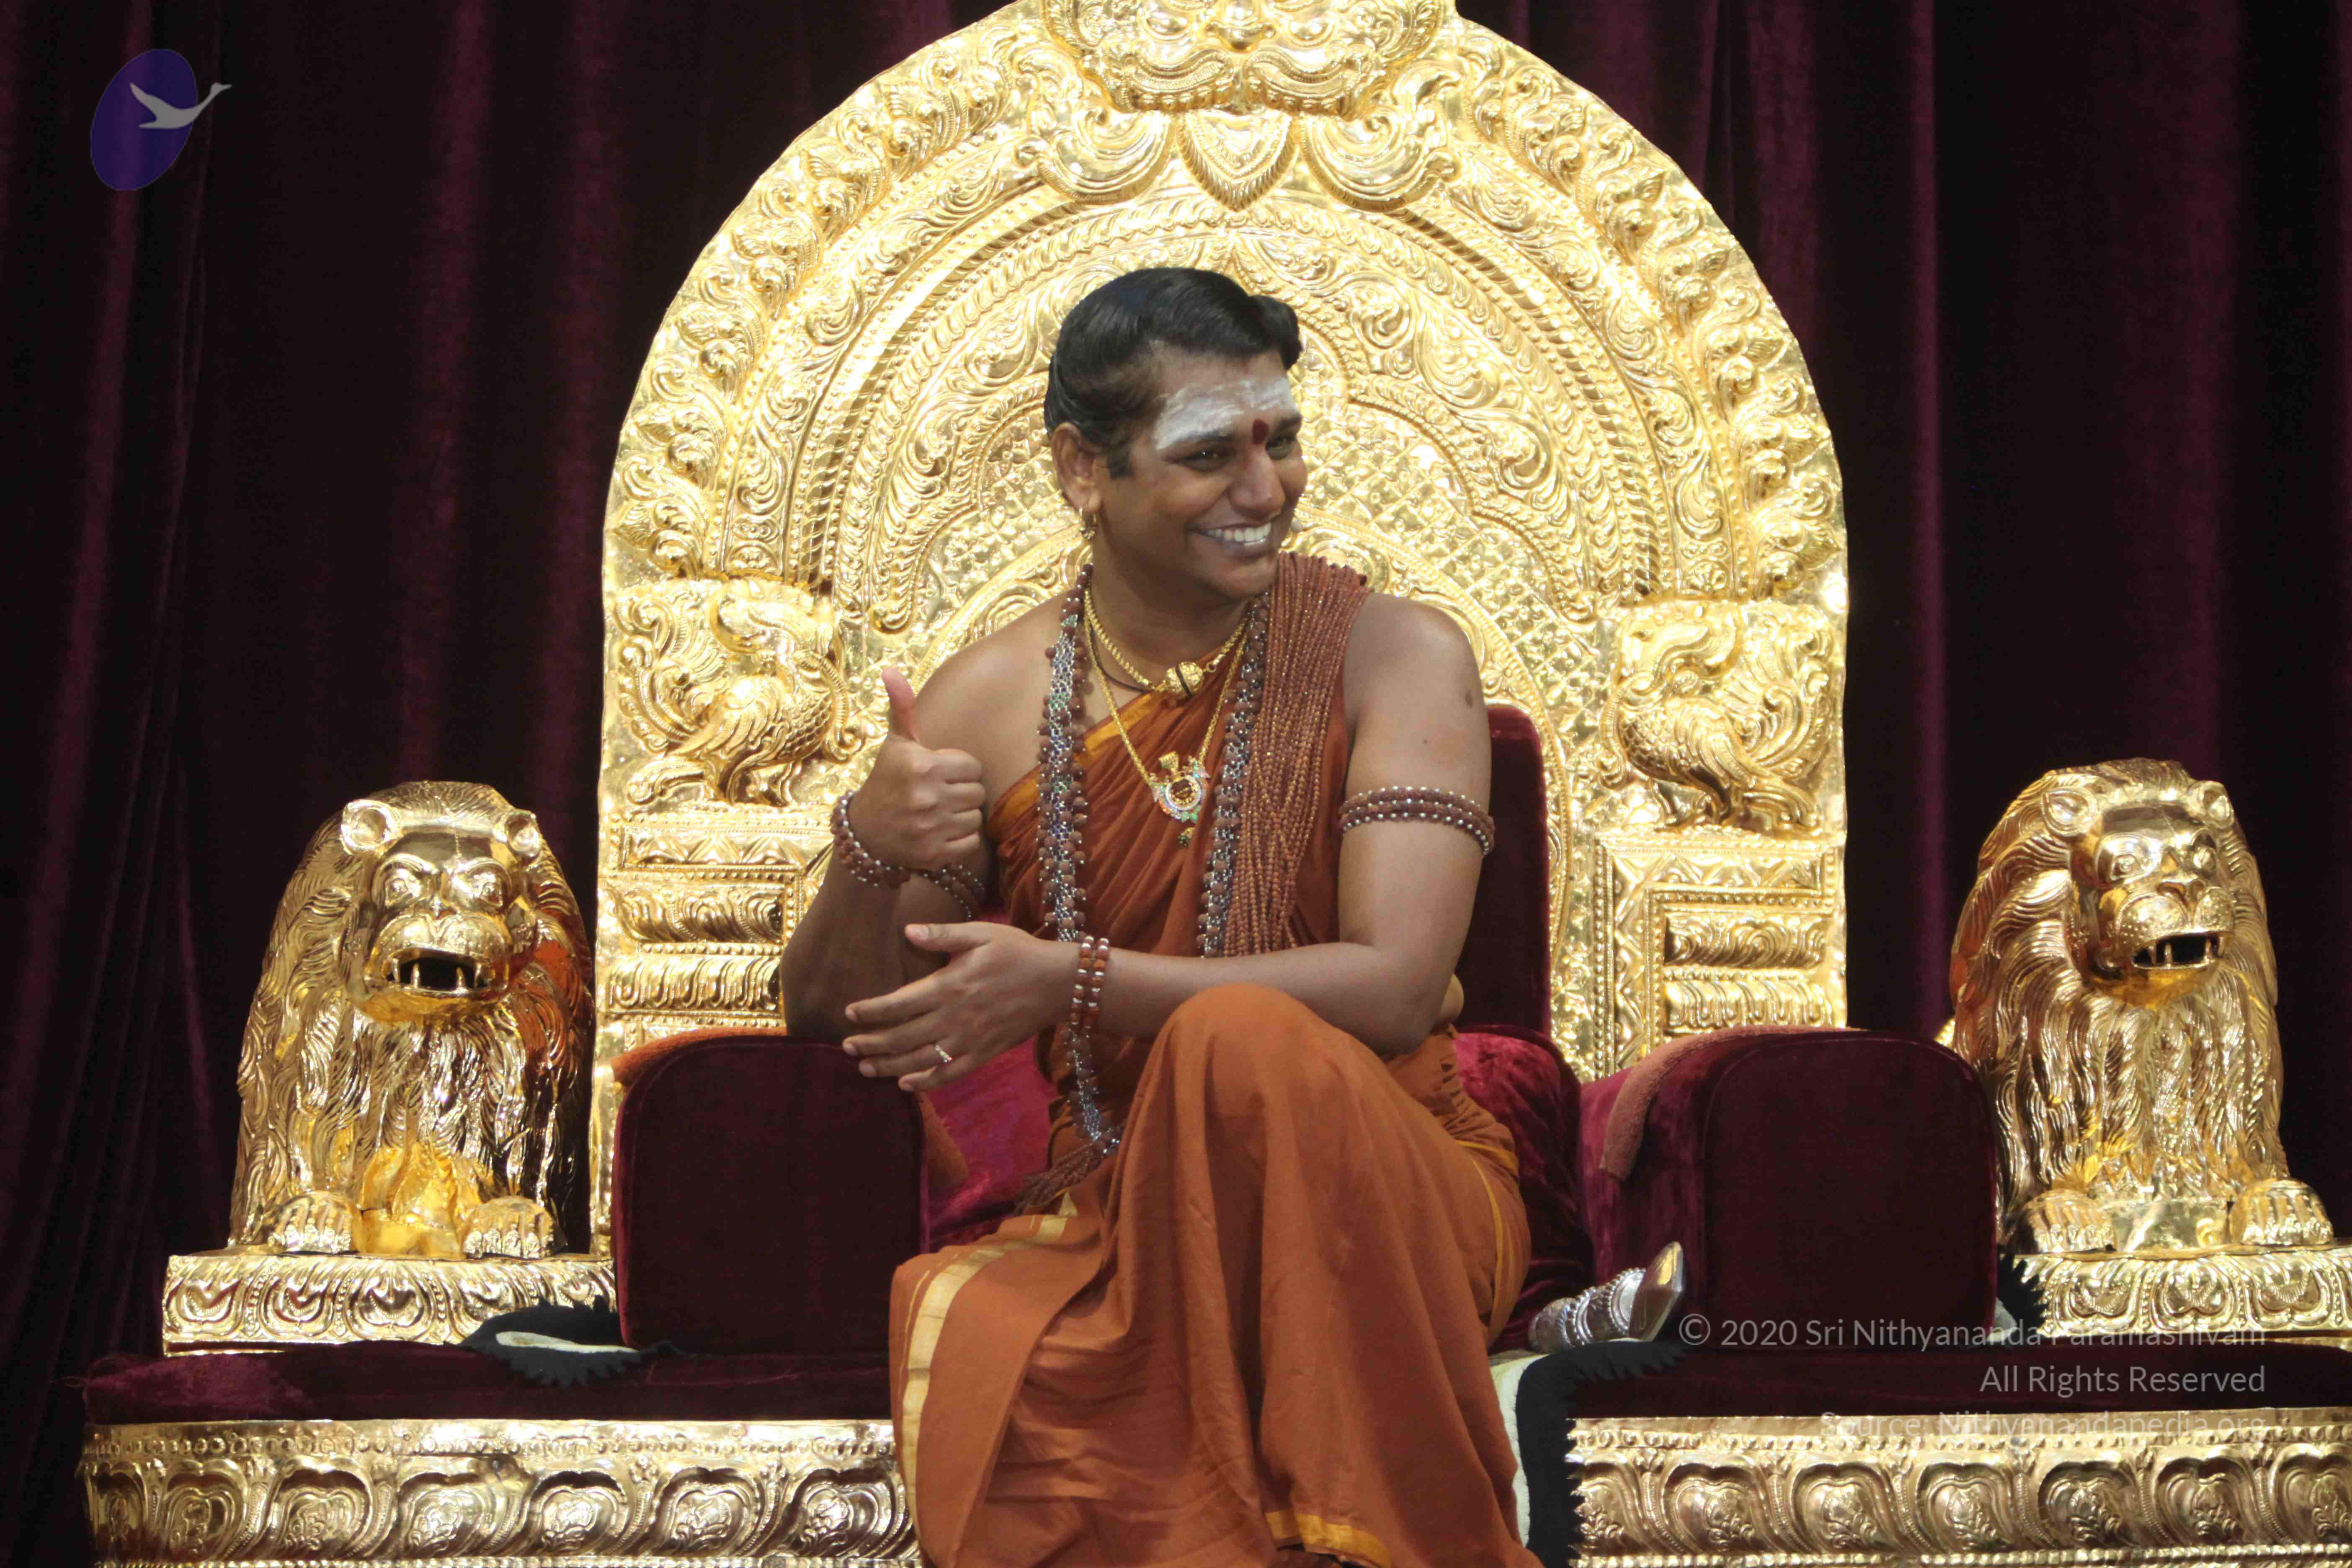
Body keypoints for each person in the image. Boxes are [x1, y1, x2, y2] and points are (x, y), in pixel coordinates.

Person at [779, 267, 1535, 1567]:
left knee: (1240, 1042)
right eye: (1209, 454)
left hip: (1390, 1194)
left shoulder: (1397, 657)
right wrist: (866, 846)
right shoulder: (991, 701)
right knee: (1016, 1332)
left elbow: (1401, 987)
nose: (1266, 489)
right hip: (1123, 1219)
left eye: (1281, 439)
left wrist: (1070, 981)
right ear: (1083, 469)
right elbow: (840, 1023)